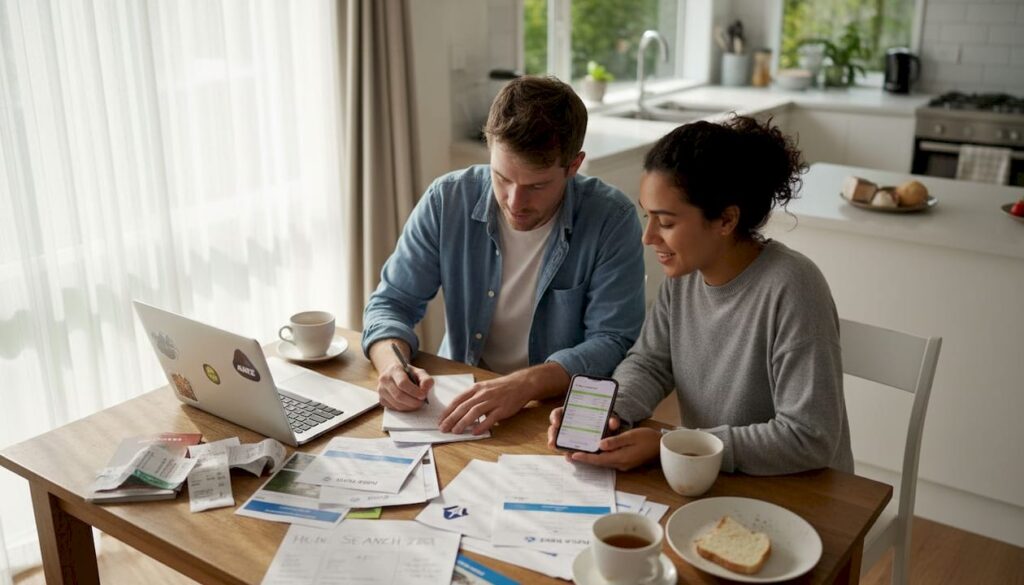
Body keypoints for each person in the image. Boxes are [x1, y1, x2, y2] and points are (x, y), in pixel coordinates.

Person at [547, 116, 854, 475]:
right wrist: (607, 412)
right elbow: (650, 363)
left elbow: (809, 437)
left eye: (666, 222)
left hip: (799, 492)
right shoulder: (684, 277)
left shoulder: (794, 287)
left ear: (726, 220)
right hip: (712, 477)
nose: (648, 237)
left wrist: (676, 447)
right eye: (649, 216)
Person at [363, 75, 646, 435]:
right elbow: (391, 303)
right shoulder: (447, 199)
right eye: (502, 177)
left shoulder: (611, 219)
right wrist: (391, 364)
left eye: (537, 186)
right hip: (460, 399)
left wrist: (524, 384)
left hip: (555, 411)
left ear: (574, 166)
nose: (514, 202)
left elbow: (613, 340)